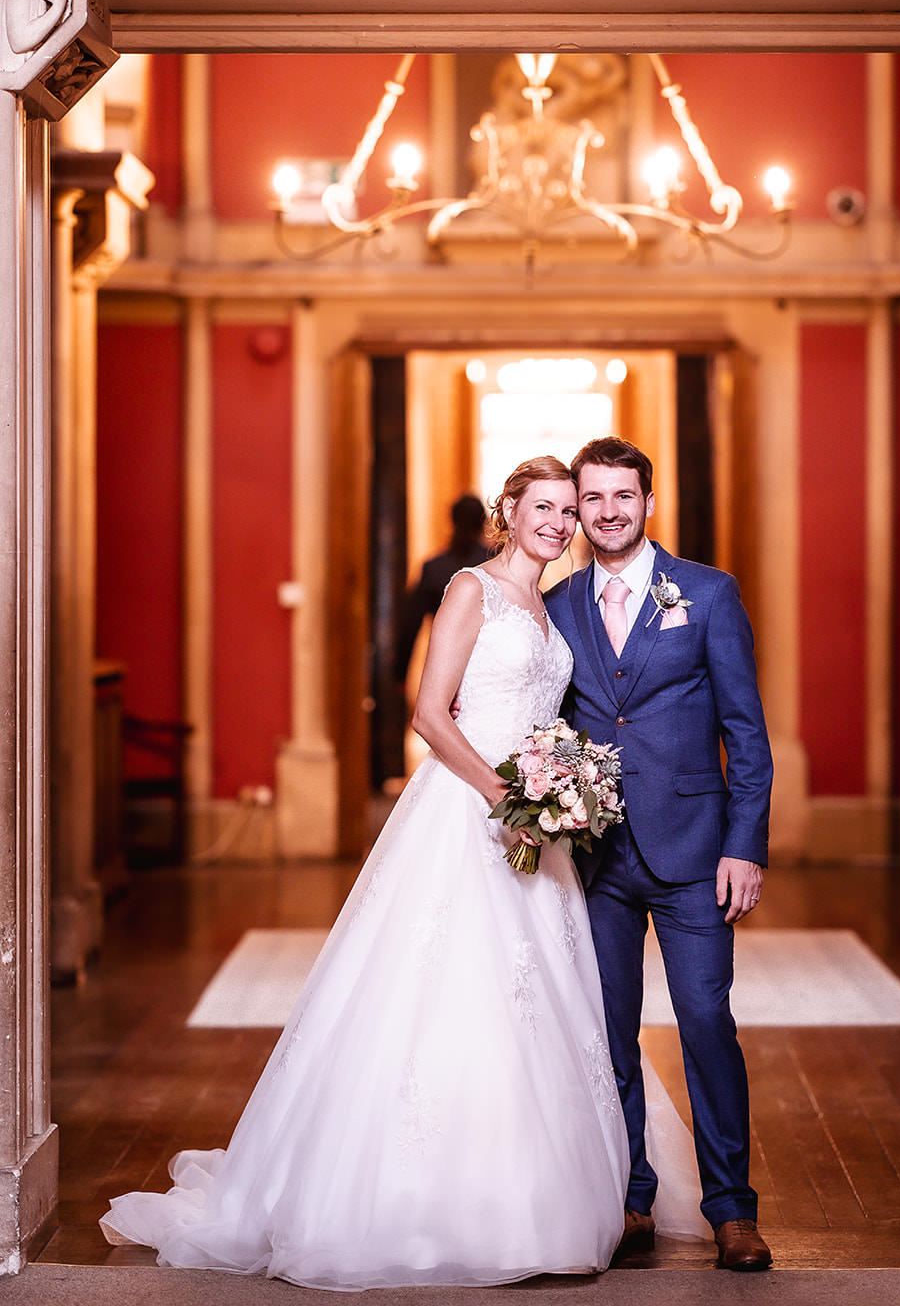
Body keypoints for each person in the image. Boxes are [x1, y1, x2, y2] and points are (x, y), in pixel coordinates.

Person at [101, 457, 705, 1290]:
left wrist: (560, 786)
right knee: (449, 988)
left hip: (543, 825)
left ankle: (549, 1195)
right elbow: (429, 712)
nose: (560, 524)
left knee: (545, 1000)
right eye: (544, 508)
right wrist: (504, 794)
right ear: (508, 511)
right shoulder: (472, 588)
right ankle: (424, 1200)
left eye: (569, 511)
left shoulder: (553, 602)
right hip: (471, 811)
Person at [545, 435, 774, 1272]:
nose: (608, 512)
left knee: (706, 1022)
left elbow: (744, 732)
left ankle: (732, 1211)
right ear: (578, 506)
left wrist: (743, 845)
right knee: (607, 1034)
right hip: (595, 856)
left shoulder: (707, 594)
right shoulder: (558, 601)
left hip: (693, 852)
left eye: (622, 497)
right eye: (592, 499)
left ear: (648, 502)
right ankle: (630, 1197)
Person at [393, 492, 492, 683]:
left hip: (444, 668)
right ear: (483, 523)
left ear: (452, 521)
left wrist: (400, 674)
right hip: (490, 665)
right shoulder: (495, 561)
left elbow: (410, 624)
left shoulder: (434, 568)